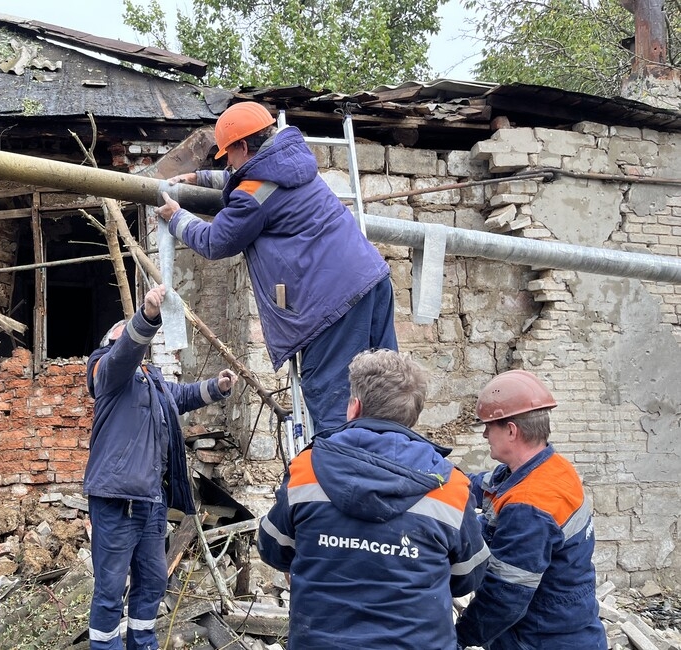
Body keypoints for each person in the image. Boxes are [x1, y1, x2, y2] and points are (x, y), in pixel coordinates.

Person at [155, 100, 398, 433]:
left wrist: (176, 217)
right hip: (372, 279)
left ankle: (344, 480)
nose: (228, 163)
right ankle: (395, 470)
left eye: (229, 154)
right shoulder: (292, 163)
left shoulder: (254, 194)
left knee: (336, 404)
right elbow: (244, 177)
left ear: (242, 145)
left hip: (333, 304)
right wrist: (199, 177)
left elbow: (215, 242)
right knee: (384, 391)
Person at [257, 348, 489, 649]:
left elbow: (273, 548)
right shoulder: (451, 486)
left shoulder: (307, 470)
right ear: (413, 416)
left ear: (354, 407)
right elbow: (468, 576)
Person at [84, 284, 238, 650]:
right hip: (116, 501)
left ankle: (143, 644)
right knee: (110, 589)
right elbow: (123, 354)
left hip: (150, 504)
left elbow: (180, 396)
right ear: (112, 344)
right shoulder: (105, 371)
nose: (137, 345)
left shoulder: (151, 382)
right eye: (129, 338)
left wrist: (216, 386)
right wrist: (147, 315)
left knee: (152, 583)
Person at [455, 370, 606, 650]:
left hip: (541, 639)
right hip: (569, 625)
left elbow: (504, 596)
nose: (486, 433)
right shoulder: (549, 468)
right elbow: (480, 485)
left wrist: (458, 637)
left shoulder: (530, 506)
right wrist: (439, 475)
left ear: (512, 430)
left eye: (490, 426)